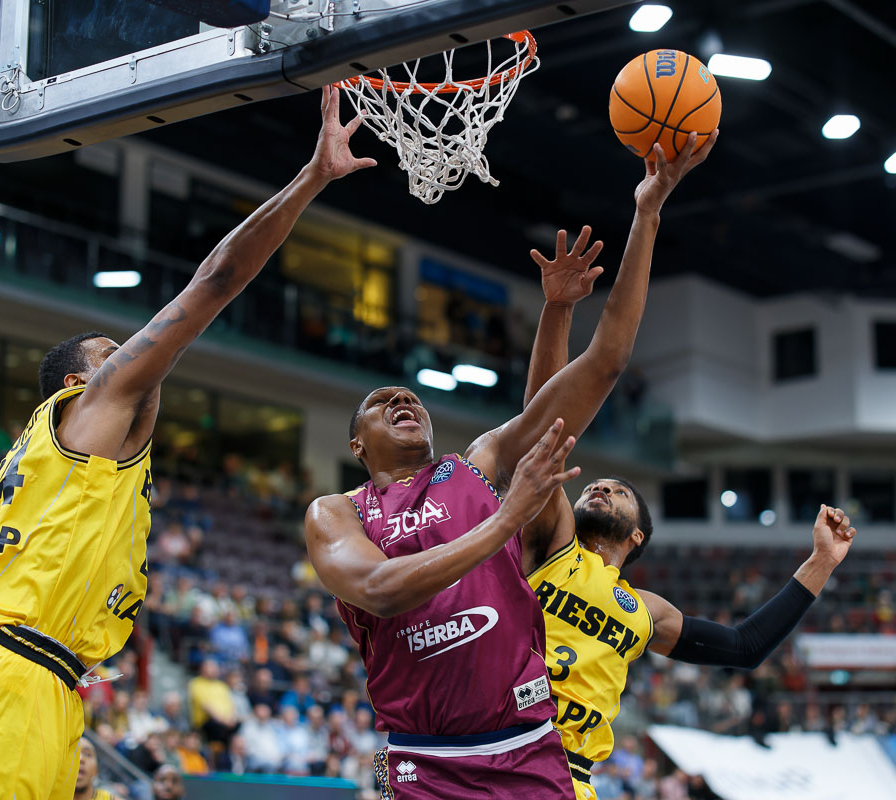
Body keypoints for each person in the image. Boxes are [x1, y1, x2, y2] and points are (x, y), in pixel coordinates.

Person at [0, 86, 374, 799]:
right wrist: (313, 176)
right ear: (77, 382)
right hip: (11, 674)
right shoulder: (90, 409)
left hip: (36, 677)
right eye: (111, 353)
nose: (129, 357)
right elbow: (218, 279)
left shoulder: (57, 467)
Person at [302, 136, 717, 800]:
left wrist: (647, 214)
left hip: (526, 751)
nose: (400, 399)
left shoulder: (478, 467)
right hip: (415, 756)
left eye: (408, 395)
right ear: (357, 446)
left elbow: (603, 364)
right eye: (381, 403)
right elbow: (379, 590)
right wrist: (507, 520)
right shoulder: (338, 512)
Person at [516, 172, 860, 798]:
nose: (600, 489)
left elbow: (745, 646)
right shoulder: (553, 543)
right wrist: (559, 309)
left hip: (572, 782)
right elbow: (545, 422)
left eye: (617, 491)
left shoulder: (646, 614)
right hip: (500, 759)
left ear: (638, 532)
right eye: (597, 486)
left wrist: (820, 562)